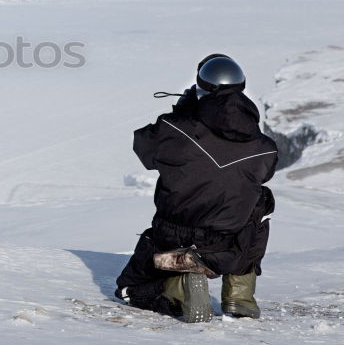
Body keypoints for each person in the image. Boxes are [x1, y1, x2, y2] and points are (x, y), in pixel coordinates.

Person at [114, 54, 277, 323]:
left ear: (201, 86)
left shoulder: (174, 128)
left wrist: (183, 112)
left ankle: (180, 287)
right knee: (261, 201)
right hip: (229, 244)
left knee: (130, 290)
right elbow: (263, 173)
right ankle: (240, 295)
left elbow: (143, 147)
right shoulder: (263, 147)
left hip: (172, 238)